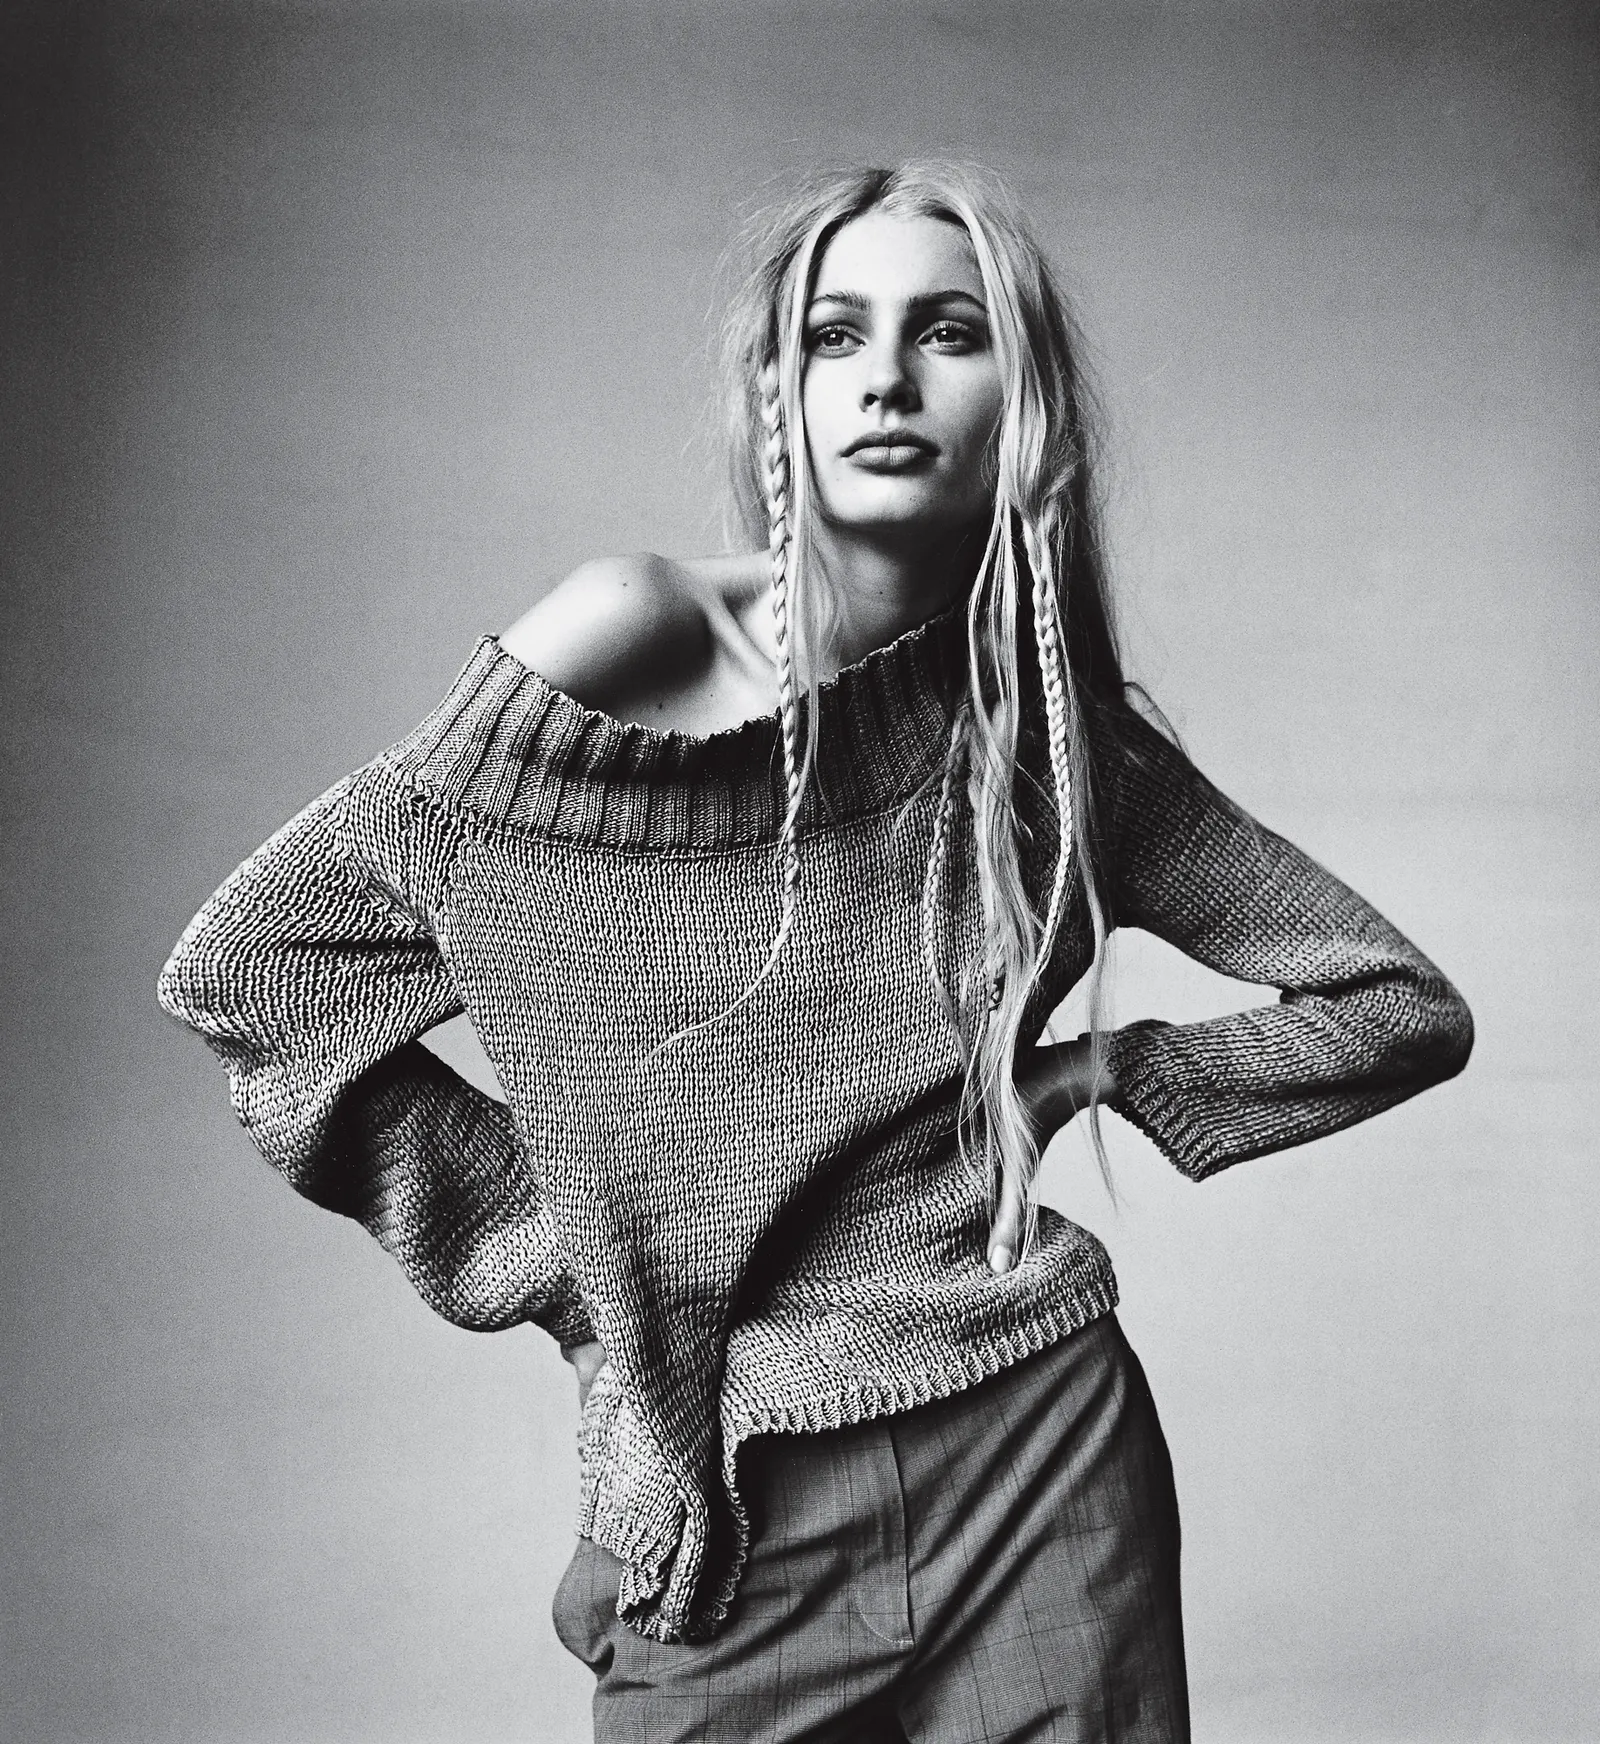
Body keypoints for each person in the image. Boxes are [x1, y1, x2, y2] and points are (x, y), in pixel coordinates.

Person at [158, 162, 1473, 1743]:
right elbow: (258, 973)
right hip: (726, 1508)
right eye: (834, 334)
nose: (886, 379)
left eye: (948, 332)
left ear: (1024, 404)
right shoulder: (630, 632)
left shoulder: (1058, 750)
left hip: (1043, 1452)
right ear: (776, 392)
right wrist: (588, 1285)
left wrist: (1105, 1073)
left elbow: (1398, 1006)